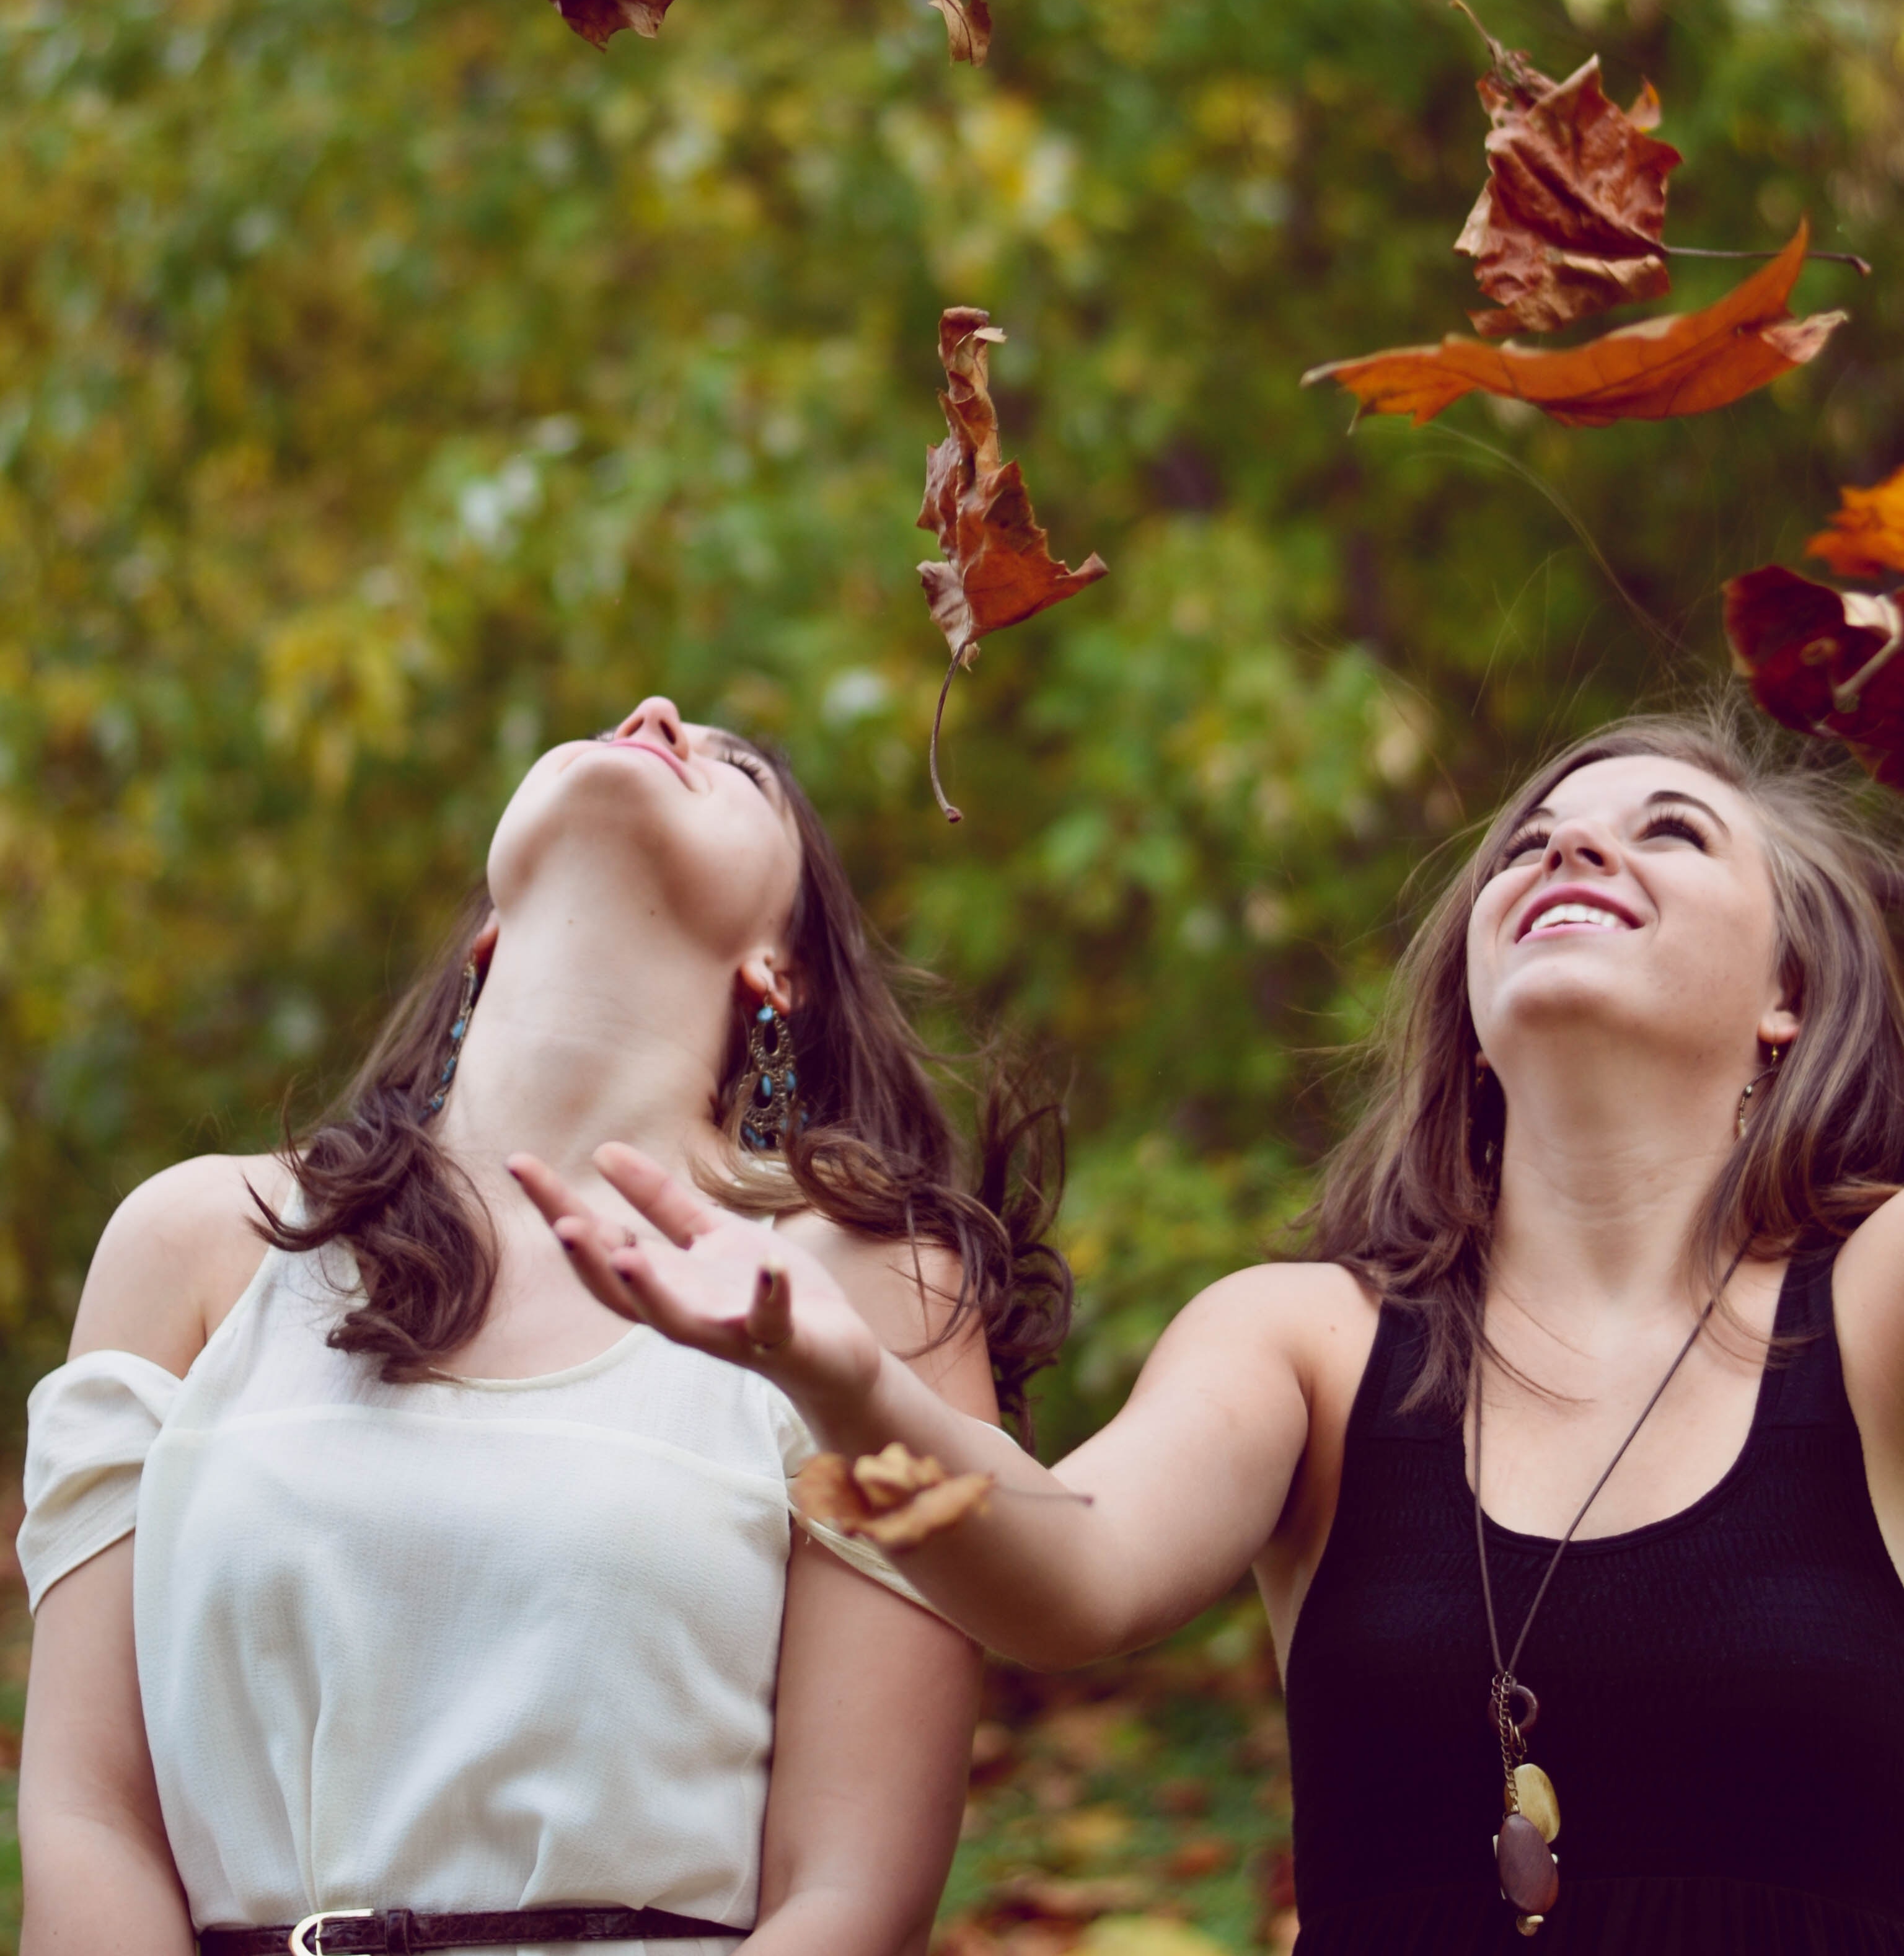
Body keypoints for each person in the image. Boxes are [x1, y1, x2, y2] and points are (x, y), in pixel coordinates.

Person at [517, 705, 1904, 1955]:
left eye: (1670, 833)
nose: (1573, 854)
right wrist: (841, 1376)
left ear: (1790, 989)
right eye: (1527, 847)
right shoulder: (1301, 1341)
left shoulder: (1877, 1298)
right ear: (1473, 1016)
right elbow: (1066, 1575)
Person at [17, 694, 1067, 1956]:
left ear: (778, 967)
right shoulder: (195, 1244)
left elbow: (850, 1892)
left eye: (736, 769)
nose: (659, 714)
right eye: (625, 722)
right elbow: (85, 1820)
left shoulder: (865, 1297)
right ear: (488, 931)